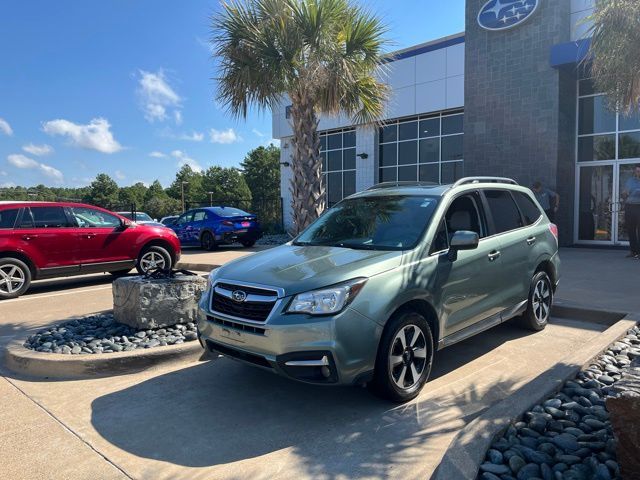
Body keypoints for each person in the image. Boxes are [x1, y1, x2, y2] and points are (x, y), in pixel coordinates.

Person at [622, 165, 640, 258]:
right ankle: (633, 251)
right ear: (634, 172)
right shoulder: (630, 180)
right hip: (629, 206)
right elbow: (625, 193)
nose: (638, 173)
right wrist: (624, 193)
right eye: (637, 171)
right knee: (631, 230)